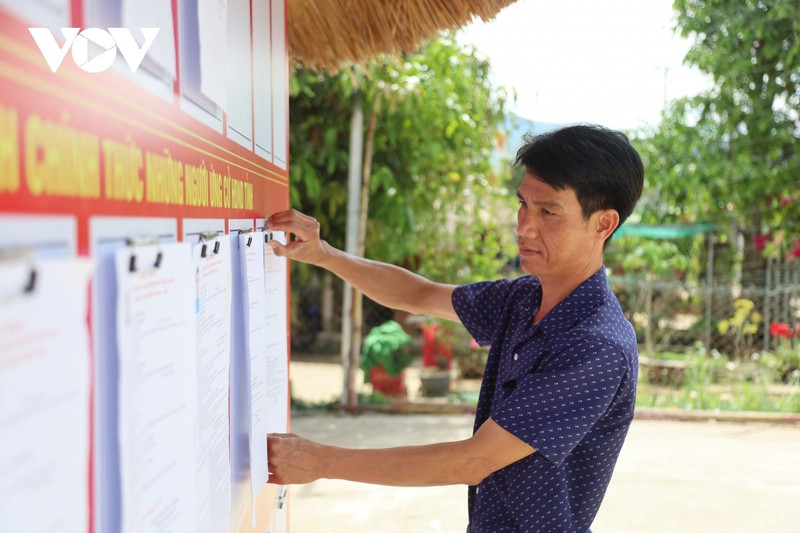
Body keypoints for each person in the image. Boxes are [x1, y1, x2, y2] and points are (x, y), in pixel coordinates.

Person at [265, 123, 644, 532]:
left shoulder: (595, 344)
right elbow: (419, 295)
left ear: (604, 224)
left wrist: (321, 461)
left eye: (548, 211)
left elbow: (474, 460)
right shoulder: (524, 298)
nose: (524, 226)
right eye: (523, 205)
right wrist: (325, 255)